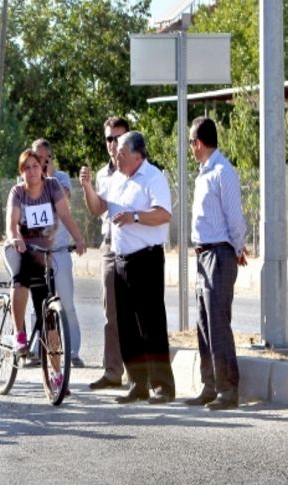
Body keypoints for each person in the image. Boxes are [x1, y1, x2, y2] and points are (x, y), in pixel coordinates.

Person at [81, 131, 175, 404]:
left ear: (138, 155)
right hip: (120, 259)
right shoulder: (114, 179)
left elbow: (163, 214)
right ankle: (137, 383)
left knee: (151, 324)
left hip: (146, 259)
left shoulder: (153, 177)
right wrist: (87, 187)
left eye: (122, 153)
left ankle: (163, 386)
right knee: (126, 325)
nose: (116, 157)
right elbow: (99, 208)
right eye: (116, 153)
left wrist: (135, 216)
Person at [3, 149, 86, 386]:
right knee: (21, 279)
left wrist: (79, 238)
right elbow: (11, 224)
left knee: (48, 313)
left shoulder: (52, 187)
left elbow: (65, 215)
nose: (31, 171)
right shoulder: (18, 192)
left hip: (45, 253)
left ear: (43, 168)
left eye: (35, 166)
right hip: (20, 248)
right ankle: (19, 333)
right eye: (26, 168)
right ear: (21, 172)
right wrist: (16, 238)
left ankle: (56, 375)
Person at [185, 117, 247, 411]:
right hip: (203, 255)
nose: (190, 148)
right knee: (203, 323)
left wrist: (237, 246)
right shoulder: (203, 173)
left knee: (218, 323)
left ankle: (228, 390)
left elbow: (234, 217)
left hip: (220, 254)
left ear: (198, 142)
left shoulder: (223, 171)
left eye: (191, 142)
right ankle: (210, 386)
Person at [79, 116, 129, 390]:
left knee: (135, 312)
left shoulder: (137, 169)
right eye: (109, 138)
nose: (112, 143)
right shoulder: (103, 174)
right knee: (111, 313)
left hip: (135, 247)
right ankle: (112, 372)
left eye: (118, 138)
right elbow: (98, 209)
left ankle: (139, 373)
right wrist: (87, 187)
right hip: (110, 245)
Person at [32, 139, 85, 368]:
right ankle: (37, 349)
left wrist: (50, 174)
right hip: (36, 251)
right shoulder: (28, 180)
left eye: (46, 159)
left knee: (66, 302)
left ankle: (72, 351)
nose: (41, 164)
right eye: (38, 159)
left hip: (59, 250)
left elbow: (62, 198)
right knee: (38, 304)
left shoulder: (60, 178)